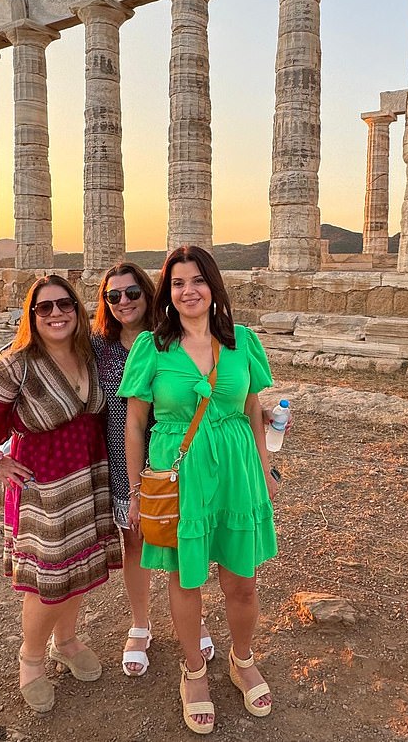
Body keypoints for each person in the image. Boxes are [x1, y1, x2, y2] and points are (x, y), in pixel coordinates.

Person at [118, 245, 279, 734]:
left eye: (197, 281)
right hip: (176, 472)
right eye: (178, 283)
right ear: (168, 293)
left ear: (213, 286)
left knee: (241, 580)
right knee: (186, 580)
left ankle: (242, 658)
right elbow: (135, 423)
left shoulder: (244, 342)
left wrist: (267, 470)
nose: (188, 291)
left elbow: (254, 413)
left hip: (236, 472)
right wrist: (136, 491)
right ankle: (193, 672)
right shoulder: (151, 347)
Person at [0, 275, 122, 713]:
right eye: (43, 308)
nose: (55, 314)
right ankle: (30, 659)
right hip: (45, 484)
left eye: (63, 304)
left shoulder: (89, 354)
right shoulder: (18, 363)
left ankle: (65, 642)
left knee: (77, 568)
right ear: (32, 316)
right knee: (49, 578)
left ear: (77, 309)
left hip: (88, 475)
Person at [91, 262, 215, 676]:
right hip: (122, 458)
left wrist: (260, 414)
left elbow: (209, 392)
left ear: (147, 293)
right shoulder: (97, 346)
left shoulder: (172, 339)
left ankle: (192, 623)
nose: (123, 302)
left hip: (175, 458)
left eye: (132, 293)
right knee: (137, 543)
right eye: (114, 296)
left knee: (185, 543)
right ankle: (140, 624)